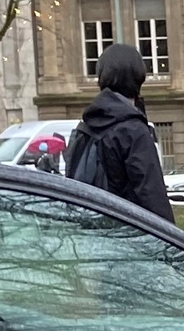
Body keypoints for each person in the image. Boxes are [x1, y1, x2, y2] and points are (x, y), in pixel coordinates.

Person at [65, 44, 172, 222]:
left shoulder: (85, 128)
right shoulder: (133, 131)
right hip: (127, 236)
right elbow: (152, 195)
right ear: (138, 76)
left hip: (89, 232)